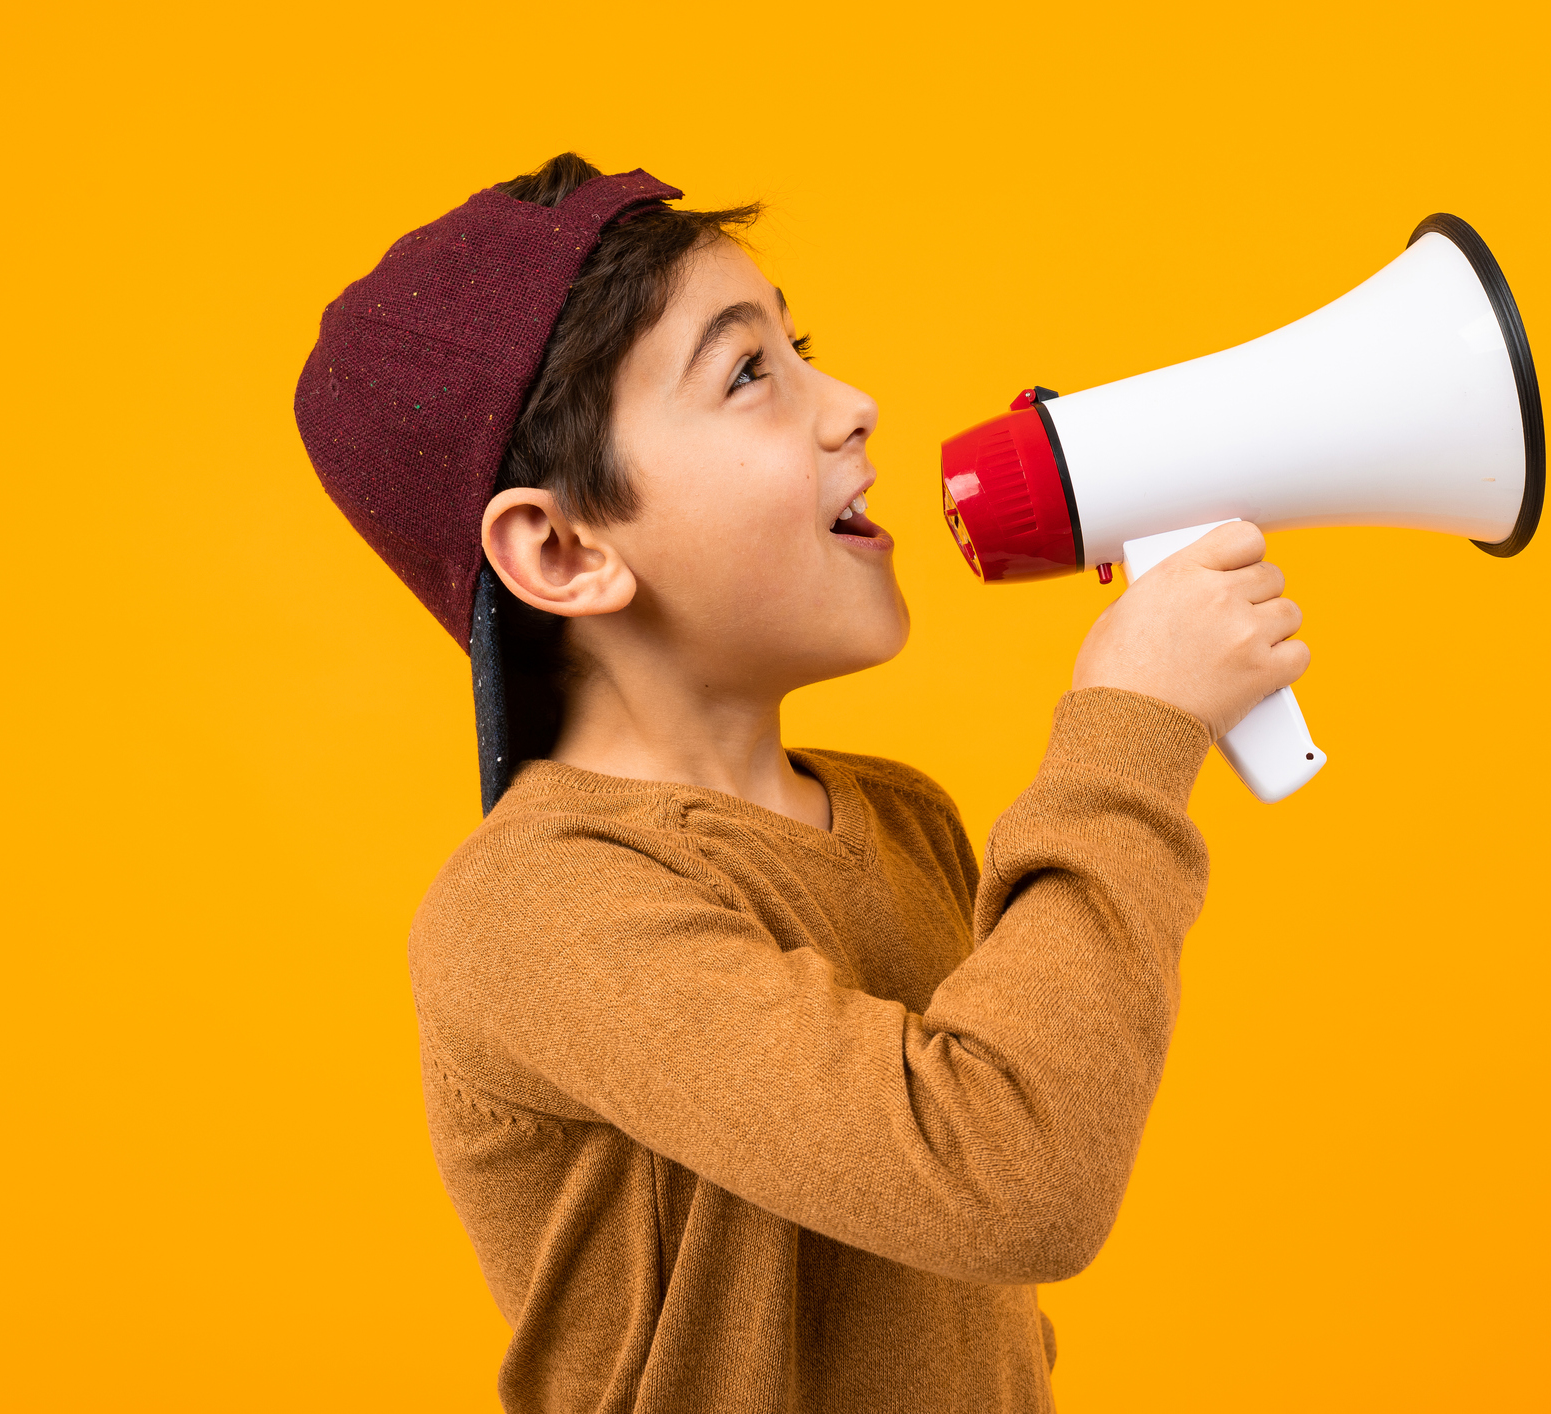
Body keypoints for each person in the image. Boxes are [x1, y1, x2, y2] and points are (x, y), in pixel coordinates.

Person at [295, 152, 1308, 1414]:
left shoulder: (900, 817)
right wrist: (1133, 731)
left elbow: (966, 1308)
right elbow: (1008, 1175)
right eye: (748, 374)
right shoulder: (534, 908)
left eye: (803, 343)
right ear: (560, 548)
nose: (853, 404)